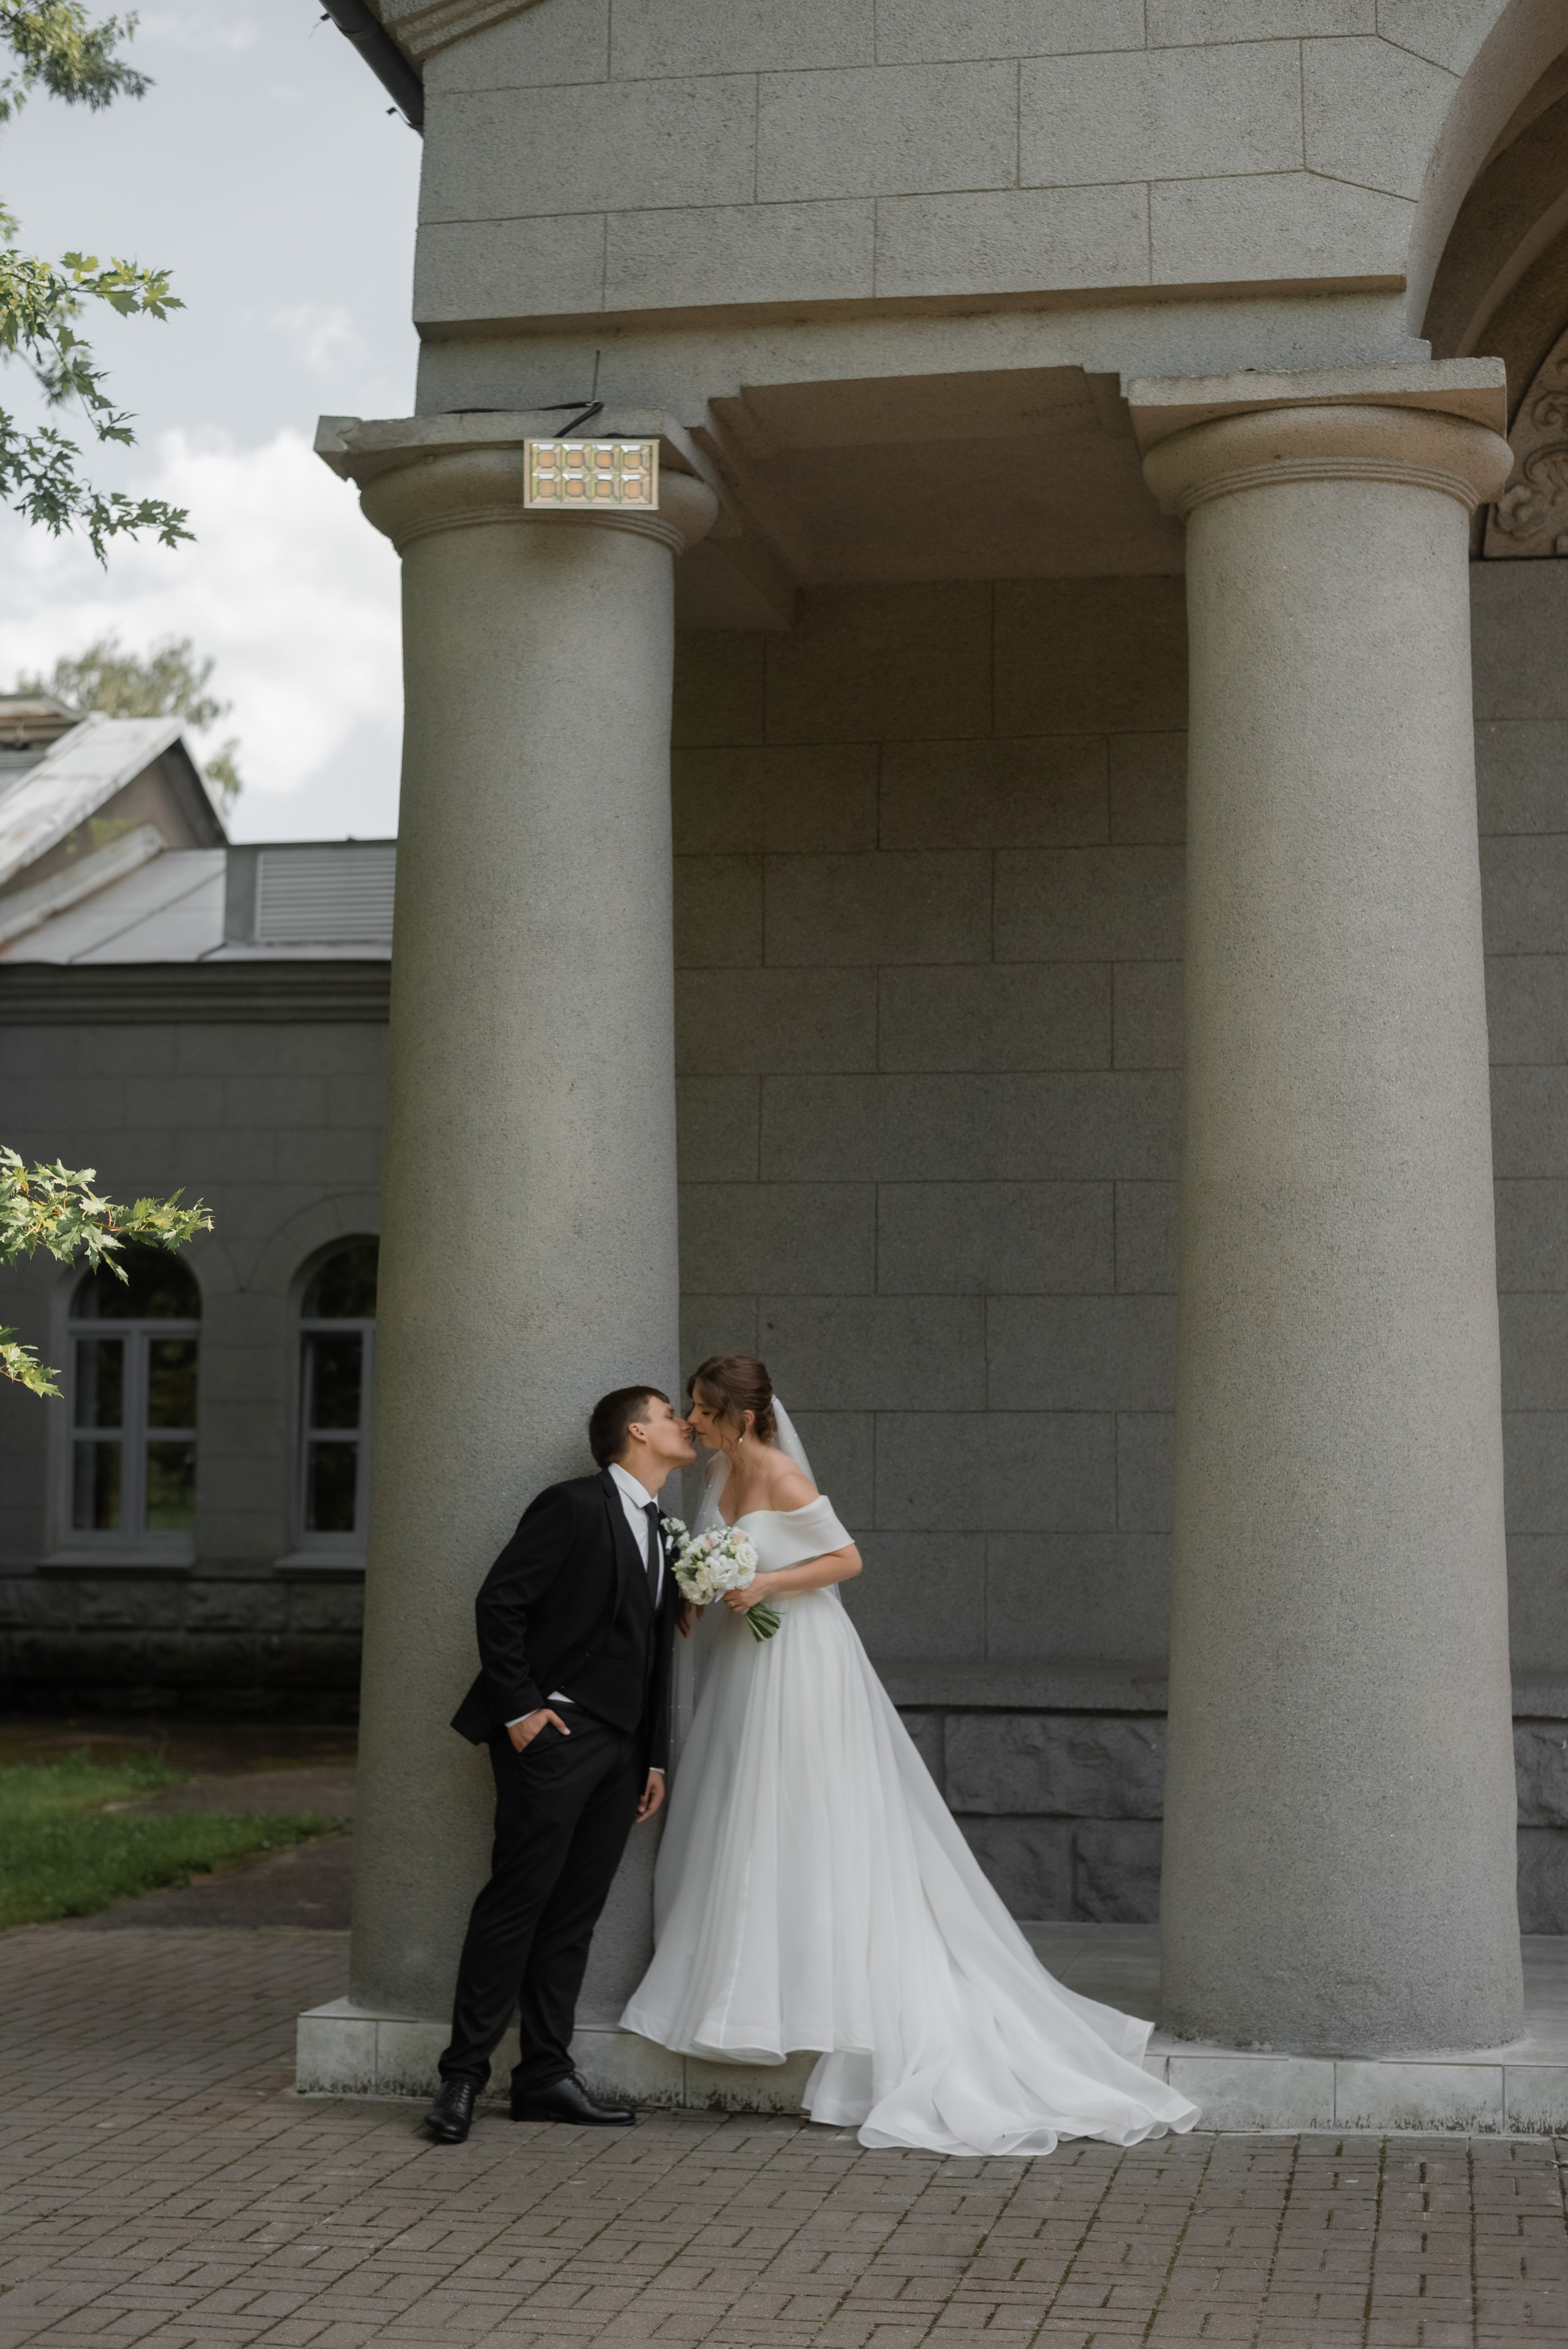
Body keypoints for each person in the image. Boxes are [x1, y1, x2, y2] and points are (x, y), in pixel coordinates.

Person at [621, 1354, 1200, 2159]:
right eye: (689, 1409)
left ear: (743, 1416)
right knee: (741, 1804)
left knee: (800, 1804)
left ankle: (822, 1989)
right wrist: (697, 1590)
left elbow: (846, 1560)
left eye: (704, 1411)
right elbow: (719, 1553)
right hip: (746, 1662)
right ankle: (739, 1984)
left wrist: (767, 1585)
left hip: (800, 1656)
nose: (694, 1422)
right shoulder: (719, 1468)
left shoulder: (783, 1473)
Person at [422, 1386, 693, 2144]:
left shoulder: (665, 1527)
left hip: (622, 1751)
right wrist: (521, 1713)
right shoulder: (572, 1506)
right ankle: (461, 2080)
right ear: (637, 1431)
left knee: (574, 1915)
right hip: (556, 1735)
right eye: (672, 1413)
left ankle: (543, 2076)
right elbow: (499, 1602)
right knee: (517, 1901)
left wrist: (655, 1757)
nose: (684, 1425)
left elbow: (652, 1658)